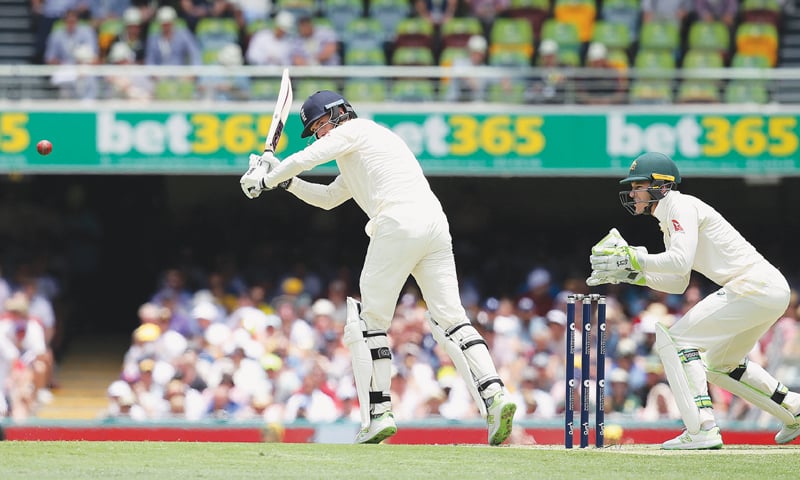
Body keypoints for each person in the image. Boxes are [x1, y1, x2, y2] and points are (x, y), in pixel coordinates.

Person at [238, 90, 517, 445]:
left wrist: (266, 178)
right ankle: (496, 397)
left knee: (367, 323)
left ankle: (378, 414)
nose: (321, 133)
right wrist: (285, 182)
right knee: (451, 319)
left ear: (339, 113)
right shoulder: (362, 148)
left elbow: (309, 157)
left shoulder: (355, 131)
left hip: (398, 223)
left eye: (321, 125)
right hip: (434, 225)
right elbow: (326, 199)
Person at [587, 151, 800, 449]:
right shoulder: (670, 218)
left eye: (638, 186)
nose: (633, 193)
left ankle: (702, 428)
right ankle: (792, 407)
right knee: (720, 364)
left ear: (660, 186)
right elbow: (678, 281)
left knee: (676, 340)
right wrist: (630, 274)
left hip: (755, 285)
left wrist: (635, 258)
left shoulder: (681, 206)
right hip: (765, 289)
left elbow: (679, 262)